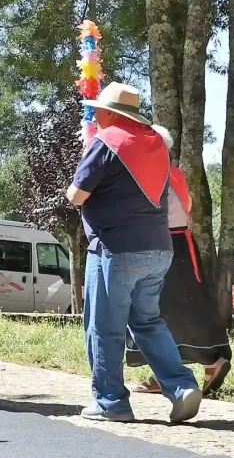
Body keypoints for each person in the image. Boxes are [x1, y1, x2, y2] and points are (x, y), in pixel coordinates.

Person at [66, 82, 202, 425]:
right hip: (158, 247)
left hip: (116, 249)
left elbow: (76, 195)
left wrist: (87, 160)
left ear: (112, 113)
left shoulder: (106, 141)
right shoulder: (157, 142)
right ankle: (182, 386)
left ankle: (111, 402)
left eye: (98, 109)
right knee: (148, 322)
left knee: (104, 326)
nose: (94, 114)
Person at [127, 126, 232, 397]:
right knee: (176, 307)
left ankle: (208, 359)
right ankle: (165, 371)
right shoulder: (172, 173)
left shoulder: (157, 173)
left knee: (167, 307)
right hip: (175, 241)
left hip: (167, 241)